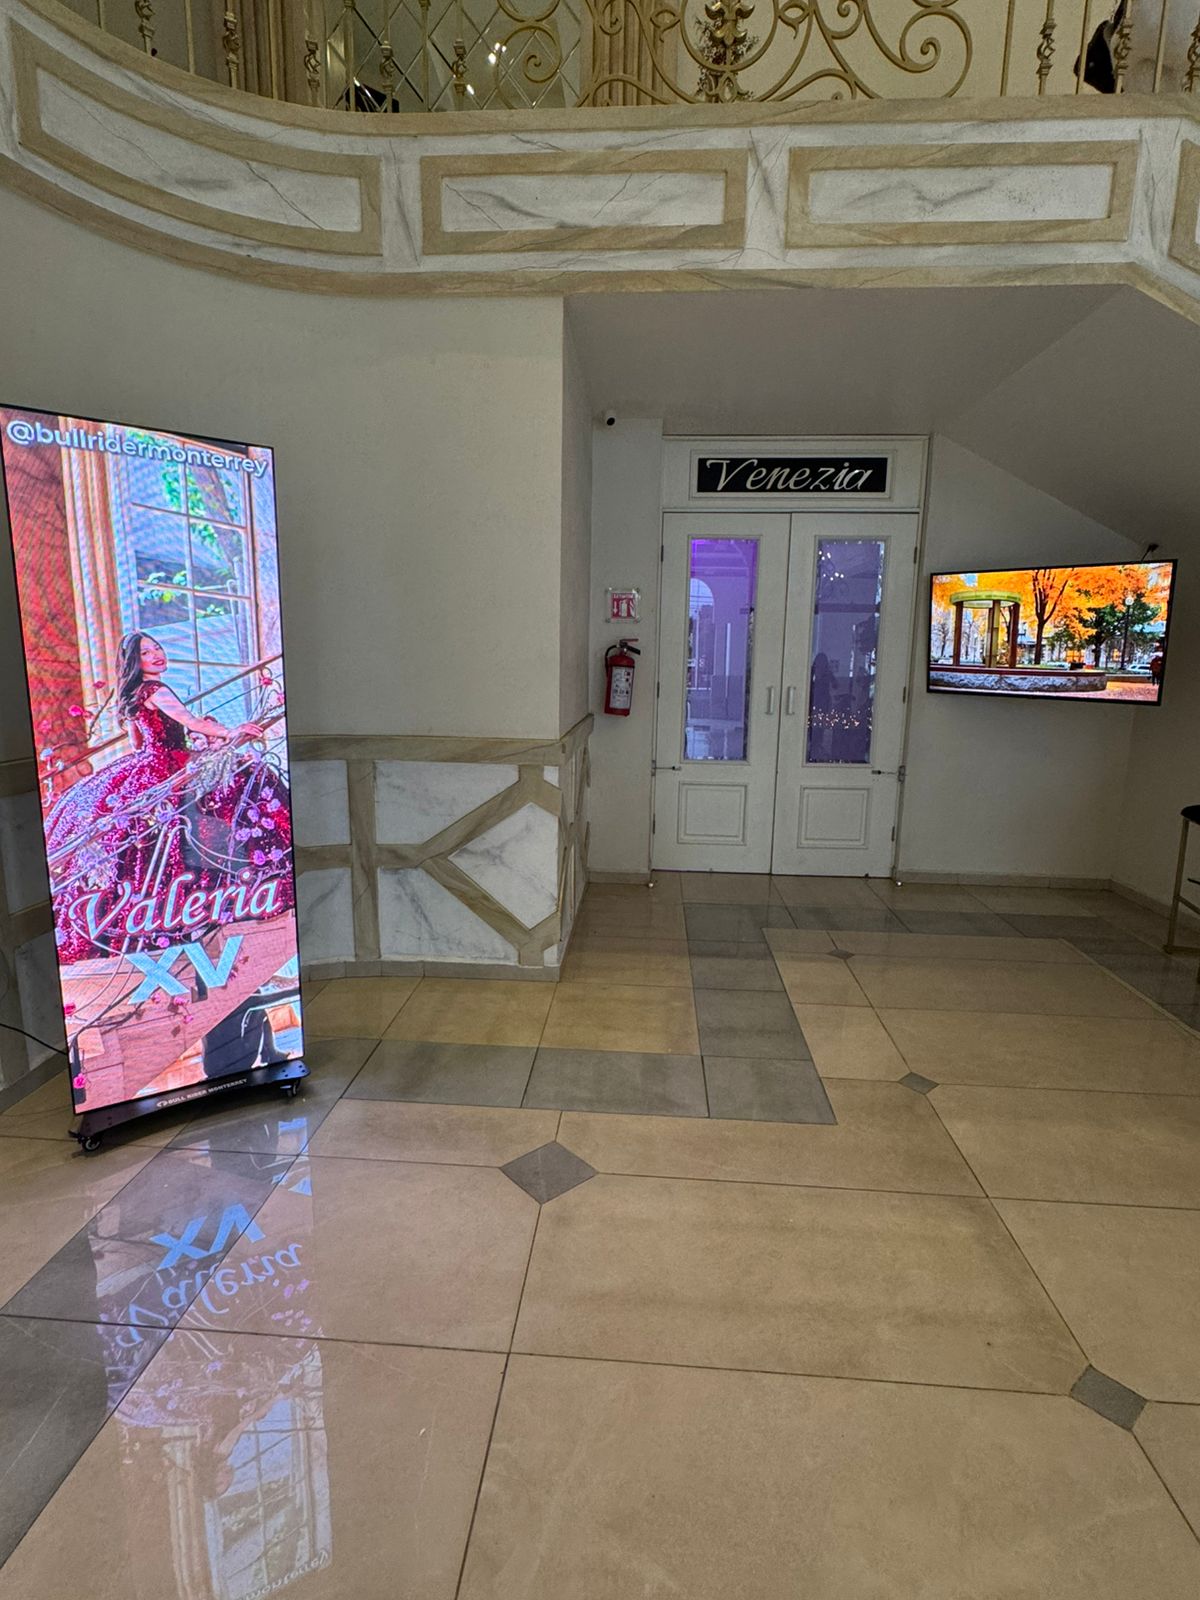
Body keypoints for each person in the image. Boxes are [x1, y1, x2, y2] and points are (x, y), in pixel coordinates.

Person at [45, 630, 293, 961]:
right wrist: (229, 732)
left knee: (155, 838)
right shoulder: (156, 690)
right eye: (146, 653)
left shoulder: (133, 695)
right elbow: (190, 721)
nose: (157, 655)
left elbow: (137, 744)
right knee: (242, 784)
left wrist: (193, 747)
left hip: (150, 764)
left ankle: (163, 912)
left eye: (157, 648)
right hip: (169, 767)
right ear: (135, 662)